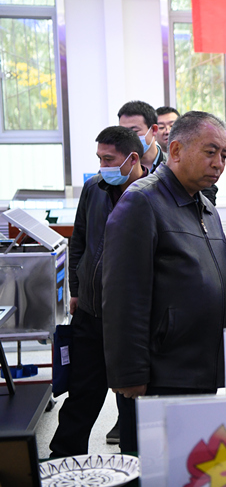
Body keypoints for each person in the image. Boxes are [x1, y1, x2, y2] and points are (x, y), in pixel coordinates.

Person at [102, 111, 226, 452]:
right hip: (161, 373)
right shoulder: (142, 201)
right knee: (154, 467)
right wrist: (130, 374)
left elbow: (221, 286)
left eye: (224, 155)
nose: (219, 163)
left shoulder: (205, 207)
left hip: (198, 368)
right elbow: (122, 298)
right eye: (210, 152)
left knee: (192, 464)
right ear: (175, 150)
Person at [49, 127, 148, 457]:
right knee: (82, 393)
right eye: (100, 159)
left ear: (132, 159)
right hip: (90, 313)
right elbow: (78, 240)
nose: (102, 166)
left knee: (131, 402)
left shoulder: (153, 194)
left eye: (108, 159)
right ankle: (63, 459)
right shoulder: (94, 188)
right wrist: (76, 290)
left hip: (131, 322)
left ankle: (134, 465)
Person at [118, 100, 165, 172]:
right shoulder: (116, 167)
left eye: (135, 131)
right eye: (123, 132)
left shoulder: (172, 165)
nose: (127, 137)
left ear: (153, 130)